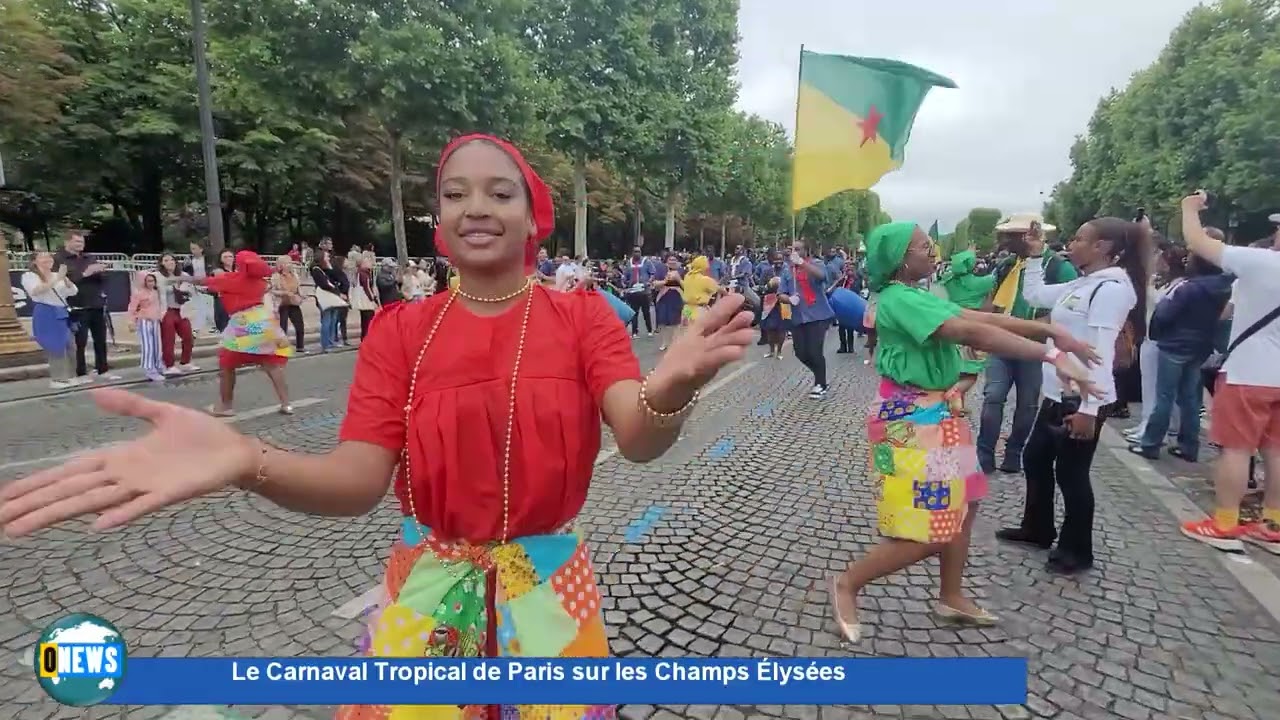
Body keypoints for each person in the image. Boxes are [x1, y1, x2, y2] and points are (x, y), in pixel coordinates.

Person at [0, 134, 755, 720]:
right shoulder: (401, 331)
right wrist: (244, 459)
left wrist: (673, 384)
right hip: (427, 586)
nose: (475, 207)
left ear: (532, 217)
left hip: (550, 593)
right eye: (454, 194)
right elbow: (356, 482)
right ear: (439, 222)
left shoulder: (581, 315)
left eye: (499, 192)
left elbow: (637, 434)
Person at [832, 222, 1098, 641]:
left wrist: (1048, 329)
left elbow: (974, 316)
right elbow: (970, 332)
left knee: (965, 506)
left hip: (940, 414)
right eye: (922, 245)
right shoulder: (900, 299)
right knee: (928, 530)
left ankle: (950, 596)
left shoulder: (917, 294)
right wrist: (1051, 354)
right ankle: (848, 583)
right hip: (911, 421)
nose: (933, 249)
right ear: (901, 259)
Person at [997, 218, 1144, 575]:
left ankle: (1077, 549)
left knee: (1072, 474)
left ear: (1103, 247)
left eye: (1080, 238)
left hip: (1081, 397)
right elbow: (1033, 296)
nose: (1072, 243)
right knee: (1034, 459)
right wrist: (1034, 256)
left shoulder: (1111, 289)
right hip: (1057, 391)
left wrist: (1090, 409)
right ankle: (1038, 527)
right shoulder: (1084, 283)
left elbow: (1100, 351)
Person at [1178, 191, 1280, 552]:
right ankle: (1272, 524)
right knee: (1276, 450)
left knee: (1236, 450)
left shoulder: (1263, 262)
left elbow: (1198, 242)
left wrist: (1190, 209)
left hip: (1249, 372)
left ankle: (1224, 523)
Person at [977, 215, 1079, 475]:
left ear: (1026, 237)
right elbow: (992, 300)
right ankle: (984, 454)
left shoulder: (1058, 268)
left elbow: (1068, 306)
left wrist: (1036, 328)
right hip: (1001, 343)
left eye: (1010, 236)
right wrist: (978, 332)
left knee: (1028, 403)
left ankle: (1014, 453)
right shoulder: (1005, 265)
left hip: (1034, 346)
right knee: (993, 397)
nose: (1004, 241)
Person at [199, 250, 294, 416]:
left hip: (243, 323)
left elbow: (203, 281)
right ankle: (286, 404)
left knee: (227, 362)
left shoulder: (233, 279)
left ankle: (226, 406)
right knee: (271, 363)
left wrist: (177, 278)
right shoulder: (260, 282)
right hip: (263, 321)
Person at [53, 231, 117, 381]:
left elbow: (103, 278)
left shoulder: (89, 257)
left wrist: (101, 272)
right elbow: (62, 281)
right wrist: (85, 273)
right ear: (67, 242)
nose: (80, 245)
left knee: (100, 339)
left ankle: (102, 369)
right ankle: (80, 372)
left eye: (81, 242)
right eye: (76, 242)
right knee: (79, 341)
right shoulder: (59, 259)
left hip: (96, 303)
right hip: (76, 305)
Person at [779, 239, 836, 399]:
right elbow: (781, 293)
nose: (794, 252)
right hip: (798, 316)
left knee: (814, 351)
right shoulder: (787, 270)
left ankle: (820, 384)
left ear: (805, 251)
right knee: (800, 353)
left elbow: (822, 276)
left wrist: (802, 263)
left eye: (798, 249)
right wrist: (789, 299)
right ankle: (820, 374)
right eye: (792, 249)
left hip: (818, 315)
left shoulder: (816, 264)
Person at [21, 251, 79, 389]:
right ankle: (58, 378)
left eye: (49, 257)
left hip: (61, 311)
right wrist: (57, 278)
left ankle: (71, 375)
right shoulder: (30, 276)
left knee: (69, 344)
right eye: (43, 257)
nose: (48, 259)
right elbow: (36, 291)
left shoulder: (56, 275)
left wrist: (66, 281)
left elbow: (73, 291)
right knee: (55, 344)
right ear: (35, 261)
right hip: (46, 311)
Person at [126, 271, 165, 383]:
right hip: (144, 321)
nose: (151, 283)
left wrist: (160, 315)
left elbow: (159, 305)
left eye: (152, 281)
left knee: (157, 345)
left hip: (155, 320)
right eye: (148, 281)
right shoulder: (138, 293)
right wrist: (131, 321)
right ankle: (150, 369)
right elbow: (132, 308)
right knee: (148, 346)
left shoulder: (156, 292)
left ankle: (158, 365)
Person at [270, 256, 306, 354]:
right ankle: (281, 348)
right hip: (282, 303)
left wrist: (302, 295)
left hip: (293, 303)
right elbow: (273, 291)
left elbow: (298, 288)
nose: (289, 265)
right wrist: (284, 293)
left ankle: (300, 347)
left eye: (290, 263)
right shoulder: (276, 276)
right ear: (281, 265)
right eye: (286, 263)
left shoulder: (294, 275)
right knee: (283, 327)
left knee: (299, 325)